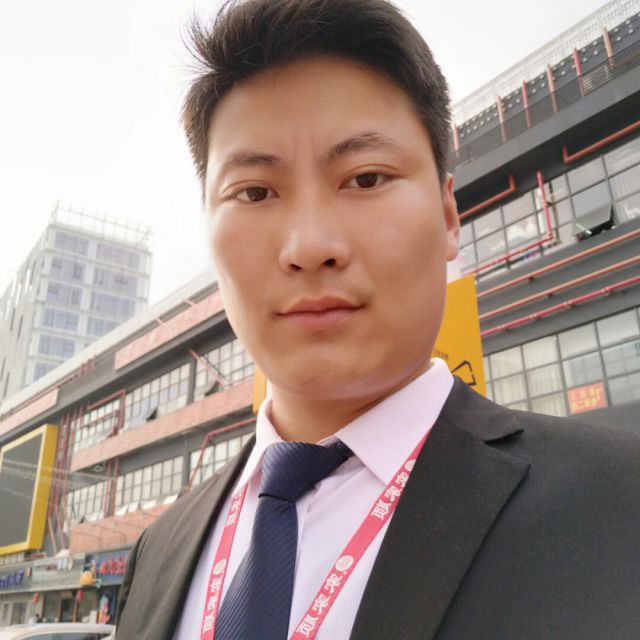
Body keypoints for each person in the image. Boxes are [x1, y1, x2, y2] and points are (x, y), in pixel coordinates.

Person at [115, 1, 640, 638]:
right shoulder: (158, 551)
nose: (310, 245)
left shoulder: (619, 505)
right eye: (254, 192)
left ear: (448, 216)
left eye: (365, 179)